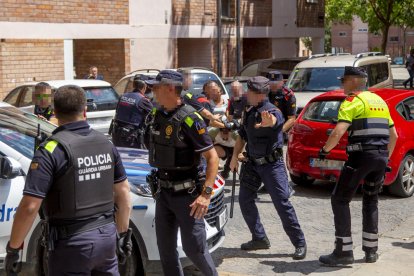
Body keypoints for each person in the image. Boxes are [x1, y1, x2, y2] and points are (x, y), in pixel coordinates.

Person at [5, 85, 132, 275]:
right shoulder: (106, 143)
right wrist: (123, 235)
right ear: (85, 110)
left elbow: (30, 206)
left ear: (55, 111)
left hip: (72, 245)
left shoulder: (51, 150)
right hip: (106, 239)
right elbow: (123, 192)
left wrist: (13, 249)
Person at [319, 66, 398, 266]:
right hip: (380, 158)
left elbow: (338, 131)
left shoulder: (352, 102)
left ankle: (343, 252)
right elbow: (394, 135)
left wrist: (325, 151)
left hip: (360, 157)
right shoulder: (379, 101)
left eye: (343, 80)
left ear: (353, 81)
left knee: (340, 199)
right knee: (371, 201)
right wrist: (384, 158)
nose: (341, 84)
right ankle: (371, 251)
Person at [146, 70, 219, 276]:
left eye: (156, 87)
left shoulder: (189, 119)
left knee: (195, 250)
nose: (152, 91)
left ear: (170, 88)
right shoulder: (156, 115)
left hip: (188, 197)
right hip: (163, 194)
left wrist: (206, 194)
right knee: (166, 252)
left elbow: (212, 157)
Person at [229, 76, 307, 259]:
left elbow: (276, 120)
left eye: (250, 91)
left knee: (282, 204)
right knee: (245, 199)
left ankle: (300, 242)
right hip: (252, 164)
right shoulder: (249, 110)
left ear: (260, 94)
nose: (246, 93)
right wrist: (233, 157)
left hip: (272, 165)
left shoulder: (271, 110)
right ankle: (259, 238)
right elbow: (242, 136)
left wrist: (270, 123)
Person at [111, 76, 153, 148]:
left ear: (133, 86)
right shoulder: (143, 100)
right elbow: (154, 113)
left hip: (116, 134)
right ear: (144, 87)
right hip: (130, 137)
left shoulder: (122, 96)